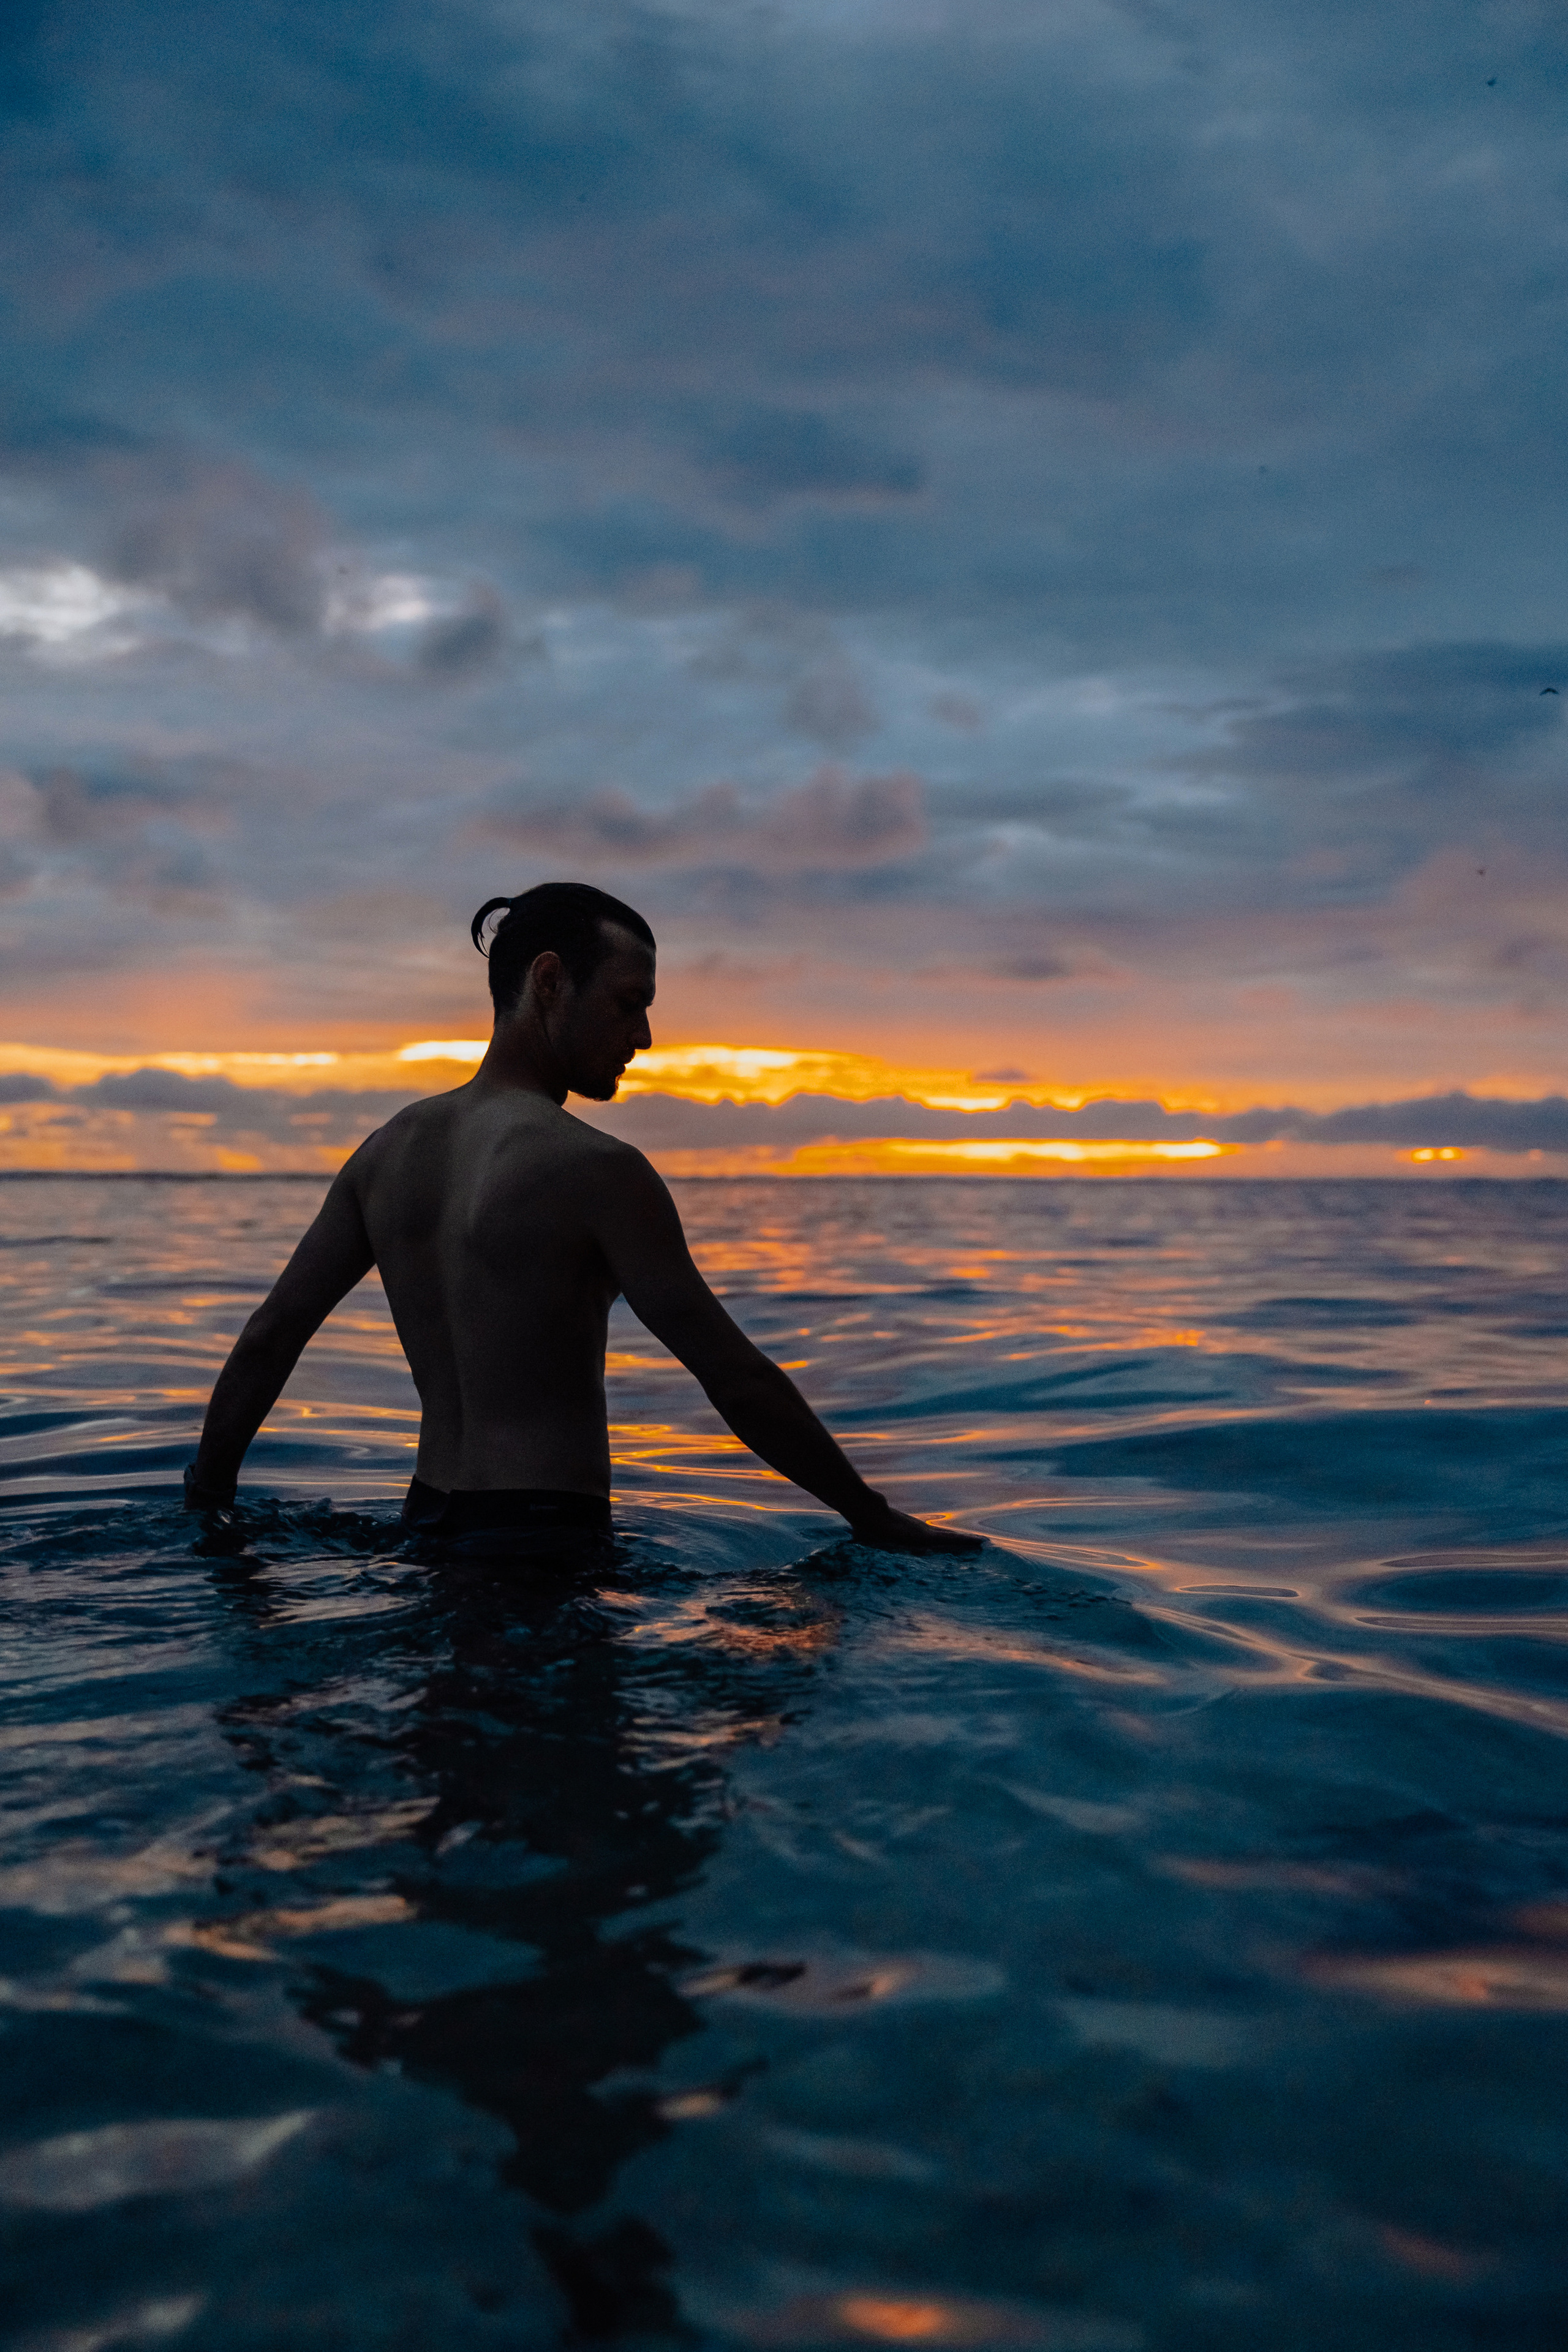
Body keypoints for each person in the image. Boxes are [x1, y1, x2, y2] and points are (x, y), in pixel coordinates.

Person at [186, 882, 981, 1556]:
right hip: (544, 1546)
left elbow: (271, 1335)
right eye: (628, 1005)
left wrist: (208, 1503)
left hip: (423, 1529)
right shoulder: (598, 1171)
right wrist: (871, 1518)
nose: (643, 1038)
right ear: (551, 982)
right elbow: (733, 1377)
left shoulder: (385, 1154)